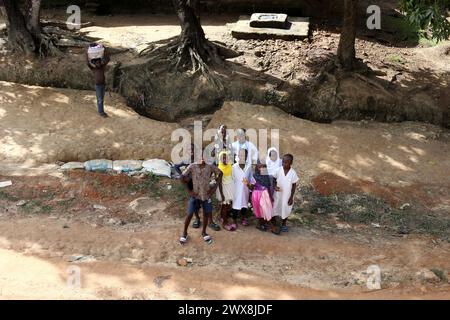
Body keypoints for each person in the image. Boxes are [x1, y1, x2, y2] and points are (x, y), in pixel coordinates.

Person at [180, 153, 224, 245]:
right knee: (190, 213)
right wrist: (189, 191)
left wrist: (214, 188)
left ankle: (204, 232)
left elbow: (220, 173)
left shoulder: (210, 166)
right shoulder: (192, 166)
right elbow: (182, 177)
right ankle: (185, 233)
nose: (202, 159)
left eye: (204, 157)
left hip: (206, 195)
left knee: (206, 214)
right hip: (195, 195)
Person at [173, 143, 202, 229]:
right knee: (194, 200)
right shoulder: (186, 160)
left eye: (193, 149)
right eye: (189, 150)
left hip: (199, 183)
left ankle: (202, 217)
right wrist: (182, 175)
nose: (191, 151)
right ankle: (197, 219)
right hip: (190, 183)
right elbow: (176, 166)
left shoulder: (199, 159)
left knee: (200, 201)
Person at [247, 161, 277, 233]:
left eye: (264, 167)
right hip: (257, 195)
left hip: (266, 195)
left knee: (266, 209)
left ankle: (260, 224)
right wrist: (248, 185)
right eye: (260, 167)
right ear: (257, 168)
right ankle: (271, 226)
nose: (262, 168)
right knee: (262, 209)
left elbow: (268, 187)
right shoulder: (254, 176)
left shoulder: (266, 176)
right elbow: (251, 188)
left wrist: (270, 196)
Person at [273, 154, 299, 233]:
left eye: (286, 162)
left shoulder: (293, 173)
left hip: (287, 195)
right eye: (283, 162)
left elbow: (294, 185)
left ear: (291, 163)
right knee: (276, 206)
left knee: (286, 208)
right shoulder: (278, 170)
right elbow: (273, 179)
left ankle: (284, 224)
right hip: (278, 194)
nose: (284, 164)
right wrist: (274, 186)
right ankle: (274, 222)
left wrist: (291, 197)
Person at [86, 43, 110, 118]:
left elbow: (108, 59)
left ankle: (101, 111)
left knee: (101, 98)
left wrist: (105, 49)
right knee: (100, 99)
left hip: (103, 84)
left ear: (101, 62)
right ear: (94, 64)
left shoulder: (102, 67)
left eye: (99, 62)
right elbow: (87, 63)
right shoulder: (94, 69)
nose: (98, 64)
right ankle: (101, 112)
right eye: (96, 63)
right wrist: (86, 54)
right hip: (98, 86)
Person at [231, 148, 252, 229]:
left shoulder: (249, 167)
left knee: (244, 205)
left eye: (245, 155)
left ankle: (243, 218)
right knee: (235, 206)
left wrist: (250, 189)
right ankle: (234, 220)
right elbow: (232, 180)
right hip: (236, 191)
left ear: (247, 157)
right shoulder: (234, 167)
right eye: (241, 155)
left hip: (245, 190)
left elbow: (250, 179)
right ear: (238, 156)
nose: (243, 157)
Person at [216, 150, 235, 231]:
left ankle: (222, 217)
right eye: (222, 159)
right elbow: (219, 184)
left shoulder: (230, 166)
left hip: (229, 187)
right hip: (223, 189)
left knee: (227, 206)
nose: (225, 160)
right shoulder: (220, 169)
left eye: (226, 158)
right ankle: (224, 223)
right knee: (224, 206)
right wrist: (222, 194)